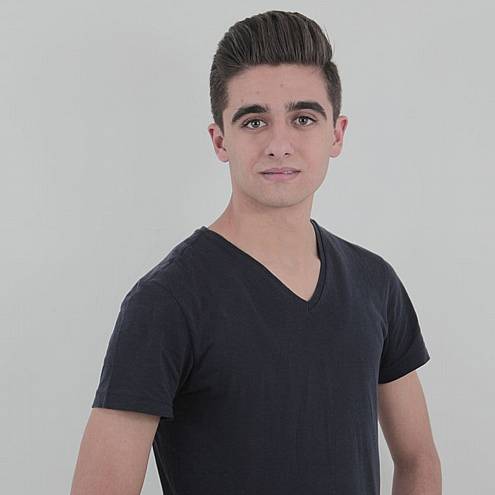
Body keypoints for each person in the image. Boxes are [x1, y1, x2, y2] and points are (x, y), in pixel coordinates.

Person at [70, 10, 442, 495]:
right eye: (254, 121)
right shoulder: (167, 302)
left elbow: (418, 459)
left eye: (303, 118)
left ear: (336, 133)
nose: (279, 144)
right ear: (220, 139)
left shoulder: (375, 283)